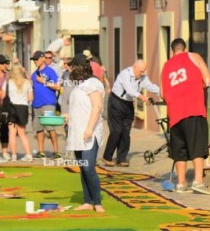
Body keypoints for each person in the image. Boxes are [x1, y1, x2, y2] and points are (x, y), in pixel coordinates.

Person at [161, 38, 210, 195]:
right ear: (185, 49)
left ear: (172, 51)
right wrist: (197, 87)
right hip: (193, 108)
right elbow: (208, 80)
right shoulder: (194, 56)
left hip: (175, 114)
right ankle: (198, 181)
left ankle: (181, 183)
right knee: (197, 145)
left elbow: (163, 94)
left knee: (180, 149)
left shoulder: (166, 66)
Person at [66, 53, 106, 213]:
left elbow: (96, 107)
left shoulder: (93, 83)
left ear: (79, 67)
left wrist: (89, 128)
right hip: (77, 131)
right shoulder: (79, 85)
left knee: (89, 166)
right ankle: (87, 201)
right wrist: (67, 117)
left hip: (90, 131)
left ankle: (97, 202)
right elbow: (79, 106)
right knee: (83, 167)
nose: (70, 69)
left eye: (72, 66)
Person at [103, 59, 160, 167]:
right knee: (117, 130)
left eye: (144, 71)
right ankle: (107, 156)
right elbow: (129, 90)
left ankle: (121, 158)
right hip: (116, 102)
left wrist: (163, 92)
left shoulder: (143, 77)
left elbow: (150, 86)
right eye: (141, 71)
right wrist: (142, 97)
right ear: (135, 67)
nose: (142, 74)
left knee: (126, 132)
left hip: (128, 104)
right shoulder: (125, 74)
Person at [30, 50, 61, 159]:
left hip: (48, 103)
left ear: (43, 58)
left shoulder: (50, 71)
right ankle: (41, 151)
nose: (35, 61)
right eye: (33, 60)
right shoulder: (33, 75)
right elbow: (32, 90)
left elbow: (57, 86)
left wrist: (44, 82)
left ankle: (56, 151)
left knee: (50, 128)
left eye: (36, 59)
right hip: (36, 104)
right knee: (39, 129)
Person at [5, 64, 34, 162]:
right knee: (22, 133)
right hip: (23, 108)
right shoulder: (27, 83)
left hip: (12, 108)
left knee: (12, 133)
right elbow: (31, 98)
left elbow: (2, 95)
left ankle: (13, 155)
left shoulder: (8, 82)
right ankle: (29, 154)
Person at [0, 54, 11, 160]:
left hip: (6, 104)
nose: (5, 65)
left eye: (6, 63)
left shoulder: (8, 75)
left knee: (5, 129)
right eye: (4, 63)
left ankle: (5, 152)